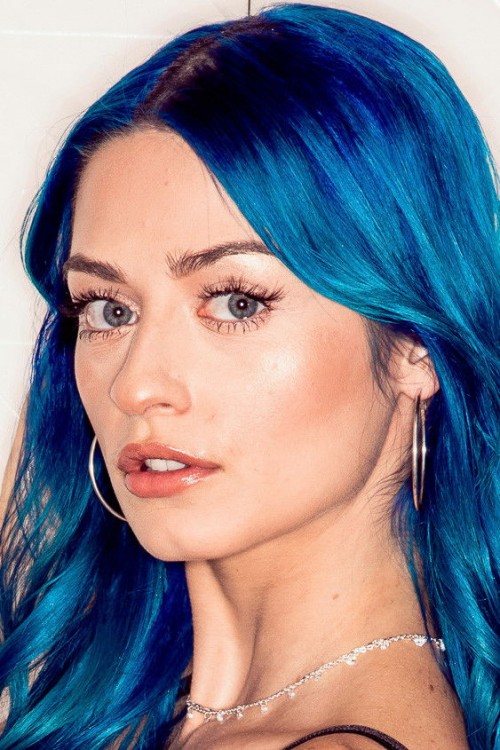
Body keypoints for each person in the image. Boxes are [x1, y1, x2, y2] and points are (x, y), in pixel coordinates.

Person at [0, 4, 498, 749]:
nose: (136, 386)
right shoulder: (121, 705)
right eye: (108, 309)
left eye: (236, 302)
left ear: (413, 345)